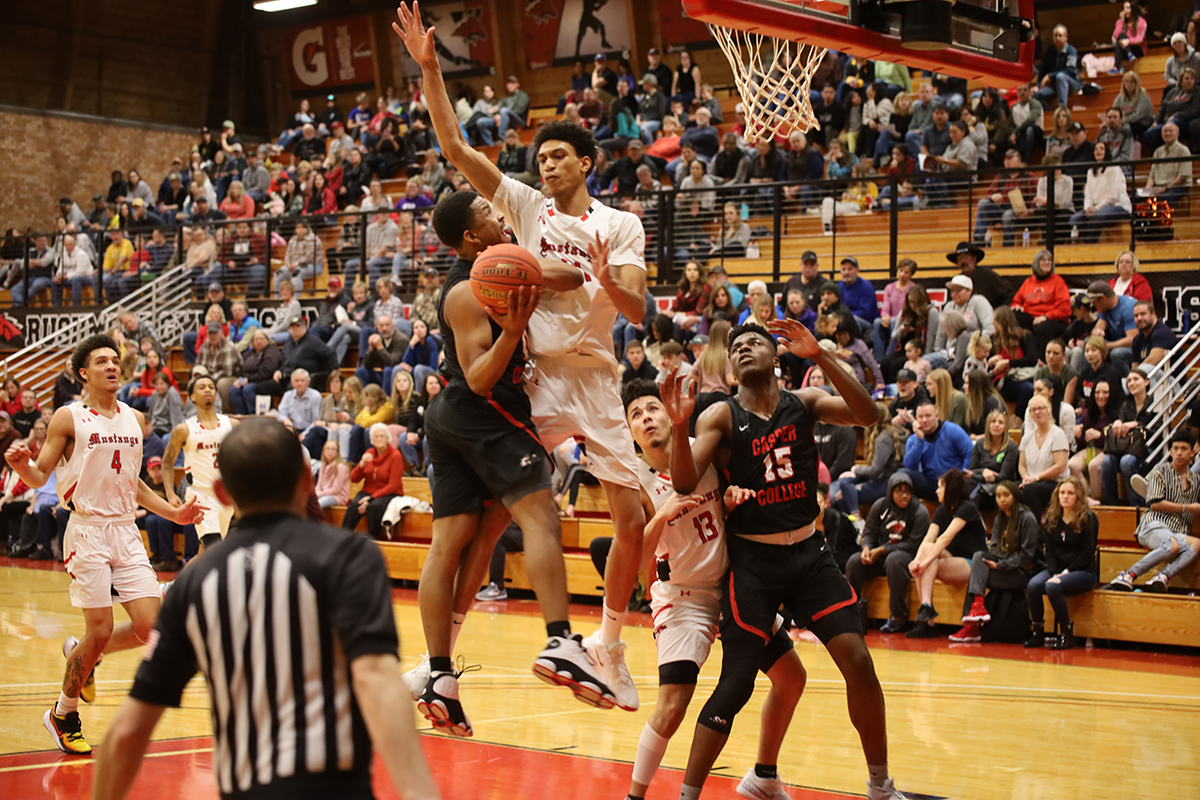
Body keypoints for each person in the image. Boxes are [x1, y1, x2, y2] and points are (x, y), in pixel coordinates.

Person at [395, 4, 648, 711]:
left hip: (596, 378)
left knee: (628, 519)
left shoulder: (620, 225)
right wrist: (429, 69)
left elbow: (637, 312)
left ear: (587, 164)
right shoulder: (523, 208)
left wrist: (601, 278)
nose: (545, 164)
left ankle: (609, 647)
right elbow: (454, 148)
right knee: (497, 518)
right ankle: (438, 654)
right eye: (540, 158)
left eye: (559, 156)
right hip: (532, 383)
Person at [90, 418, 441, 800]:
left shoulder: (195, 580)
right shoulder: (349, 556)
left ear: (222, 493)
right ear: (308, 480)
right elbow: (377, 680)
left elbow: (127, 732)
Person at [398, 189, 617, 732]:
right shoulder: (465, 293)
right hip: (483, 410)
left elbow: (564, 277)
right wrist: (515, 332)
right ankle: (561, 641)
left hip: (454, 417)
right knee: (540, 518)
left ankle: (440, 677)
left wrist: (570, 266)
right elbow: (477, 376)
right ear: (471, 238)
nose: (501, 216)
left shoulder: (503, 263)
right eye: (490, 216)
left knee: (467, 538)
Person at [660, 320, 907, 800]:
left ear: (776, 358)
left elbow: (868, 412)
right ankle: (691, 794)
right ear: (730, 369)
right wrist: (677, 425)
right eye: (736, 347)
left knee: (858, 660)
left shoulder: (805, 403)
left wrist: (820, 356)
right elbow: (684, 484)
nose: (744, 348)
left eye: (755, 342)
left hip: (810, 556)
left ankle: (880, 786)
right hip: (753, 565)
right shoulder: (720, 417)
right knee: (735, 686)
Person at [4, 335, 201, 755]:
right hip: (87, 530)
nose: (112, 366)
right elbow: (41, 477)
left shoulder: (133, 418)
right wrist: (23, 466)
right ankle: (63, 713)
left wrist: (174, 513)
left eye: (115, 360)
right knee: (102, 628)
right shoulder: (68, 417)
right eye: (101, 362)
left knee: (152, 627)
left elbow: (136, 486)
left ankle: (83, 654)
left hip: (125, 531)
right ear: (83, 373)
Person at [620, 379, 806, 800]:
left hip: (733, 586)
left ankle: (763, 775)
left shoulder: (702, 449)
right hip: (684, 598)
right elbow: (635, 561)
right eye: (636, 415)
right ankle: (635, 796)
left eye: (652, 409)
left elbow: (727, 500)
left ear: (669, 413)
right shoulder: (635, 482)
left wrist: (732, 498)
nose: (646, 418)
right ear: (630, 432)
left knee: (792, 678)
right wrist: (664, 513)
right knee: (672, 708)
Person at [1107, 431, 1200, 593]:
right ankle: (1128, 575)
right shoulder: (1160, 471)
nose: (1179, 452)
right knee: (1172, 545)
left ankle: (1163, 576)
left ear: (1193, 453)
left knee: (1197, 544)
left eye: (1184, 449)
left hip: (1177, 531)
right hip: (1153, 525)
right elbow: (1155, 503)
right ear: (1170, 451)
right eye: (1175, 448)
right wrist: (1187, 508)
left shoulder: (1196, 480)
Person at [950, 480, 1042, 642]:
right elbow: (994, 550)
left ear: (1015, 496)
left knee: (977, 575)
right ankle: (976, 609)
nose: (1002, 499)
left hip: (1024, 574)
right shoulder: (1000, 519)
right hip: (1007, 570)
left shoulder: (1027, 518)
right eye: (998, 496)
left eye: (1006, 495)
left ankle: (971, 627)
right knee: (979, 558)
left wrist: (1000, 565)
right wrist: (1002, 561)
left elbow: (1027, 557)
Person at [901, 468, 988, 639]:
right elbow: (928, 538)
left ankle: (927, 620)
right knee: (926, 550)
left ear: (950, 488)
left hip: (974, 564)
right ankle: (926, 608)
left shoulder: (967, 507)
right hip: (954, 559)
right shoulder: (943, 510)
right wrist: (917, 560)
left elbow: (945, 539)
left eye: (940, 487)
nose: (936, 491)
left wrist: (923, 564)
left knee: (927, 562)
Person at [844, 469, 929, 636]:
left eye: (907, 491)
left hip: (908, 557)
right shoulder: (880, 506)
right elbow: (869, 532)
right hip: (881, 556)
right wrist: (867, 548)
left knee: (895, 560)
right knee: (854, 562)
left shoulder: (920, 512)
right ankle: (852, 614)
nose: (904, 495)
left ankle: (898, 617)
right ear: (891, 491)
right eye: (899, 491)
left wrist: (881, 550)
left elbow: (913, 544)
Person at [161, 375, 238, 551]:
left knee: (205, 555)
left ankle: (186, 579)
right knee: (215, 549)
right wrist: (170, 494)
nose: (208, 390)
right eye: (202, 387)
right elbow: (166, 463)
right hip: (201, 496)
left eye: (211, 387)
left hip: (227, 497)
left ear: (216, 395)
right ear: (193, 397)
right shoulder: (184, 430)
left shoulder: (232, 424)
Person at [1026, 476, 1097, 650]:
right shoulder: (1053, 519)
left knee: (1052, 587)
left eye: (1070, 493)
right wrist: (1053, 571)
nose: (1065, 496)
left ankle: (1066, 634)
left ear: (1078, 496)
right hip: (1057, 570)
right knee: (1033, 585)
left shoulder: (1088, 519)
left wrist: (1065, 572)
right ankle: (1038, 632)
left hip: (1083, 571)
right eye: (1062, 493)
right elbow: (1048, 551)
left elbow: (1088, 553)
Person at [830, 401, 904, 515]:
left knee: (842, 495)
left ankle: (857, 521)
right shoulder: (894, 431)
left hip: (887, 482)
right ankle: (855, 518)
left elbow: (875, 470)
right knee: (844, 482)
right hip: (883, 478)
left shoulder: (883, 438)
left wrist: (855, 470)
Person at [899, 401, 973, 500]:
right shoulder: (914, 440)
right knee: (902, 474)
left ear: (937, 416)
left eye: (928, 416)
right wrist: (920, 440)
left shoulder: (953, 430)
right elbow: (910, 466)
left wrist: (964, 475)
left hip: (955, 483)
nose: (924, 420)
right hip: (932, 483)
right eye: (920, 417)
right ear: (916, 419)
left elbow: (970, 452)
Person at [1102, 367, 1153, 506]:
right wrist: (1118, 422)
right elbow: (1121, 421)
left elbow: (1159, 429)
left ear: (1147, 382)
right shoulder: (1126, 404)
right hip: (1128, 447)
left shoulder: (1155, 402)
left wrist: (1137, 424)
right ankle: (1111, 506)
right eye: (1129, 380)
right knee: (1106, 462)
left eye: (1136, 379)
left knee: (1127, 462)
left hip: (1150, 448)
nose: (1131, 383)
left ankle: (1137, 507)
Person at [1018, 394, 1071, 518]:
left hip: (1055, 484)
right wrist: (1026, 478)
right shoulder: (1027, 437)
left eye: (1040, 408)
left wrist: (1036, 478)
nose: (1037, 412)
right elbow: (1021, 465)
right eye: (1033, 410)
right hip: (1031, 482)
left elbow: (1060, 466)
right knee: (1008, 489)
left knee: (1030, 490)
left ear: (1049, 410)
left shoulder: (1058, 435)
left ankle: (1035, 528)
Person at [1069, 142, 1131, 244]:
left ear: (1106, 152)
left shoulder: (1114, 168)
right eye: (1096, 149)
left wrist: (1096, 208)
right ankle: (1091, 243)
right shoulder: (1090, 171)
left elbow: (1114, 196)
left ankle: (1091, 245)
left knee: (1096, 216)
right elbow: (1088, 194)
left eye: (1101, 148)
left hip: (1118, 206)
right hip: (1096, 208)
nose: (1098, 151)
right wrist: (1088, 208)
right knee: (1074, 219)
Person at [1011, 250, 1070, 352]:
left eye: (1049, 260)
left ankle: (1039, 360)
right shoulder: (1029, 282)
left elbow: (1064, 309)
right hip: (1031, 317)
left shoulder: (1058, 281)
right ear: (1036, 263)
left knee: (1042, 328)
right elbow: (1016, 300)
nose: (1047, 263)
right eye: (1043, 260)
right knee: (1014, 318)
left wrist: (1046, 317)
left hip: (1053, 320)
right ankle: (1017, 355)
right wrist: (1016, 305)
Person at [1070, 378, 1115, 501]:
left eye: (1105, 392)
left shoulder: (1116, 412)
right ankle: (1085, 500)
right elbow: (1081, 443)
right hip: (1090, 449)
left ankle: (1097, 499)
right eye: (1097, 392)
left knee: (1094, 466)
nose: (1101, 396)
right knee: (1072, 464)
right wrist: (1077, 436)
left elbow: (1118, 440)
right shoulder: (1087, 413)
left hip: (1109, 449)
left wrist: (1100, 435)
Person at [1085, 280, 1137, 375]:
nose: (1093, 305)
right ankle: (1087, 378)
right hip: (1115, 342)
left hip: (1136, 347)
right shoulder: (1105, 308)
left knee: (1116, 353)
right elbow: (1098, 328)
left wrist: (1108, 346)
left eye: (1094, 302)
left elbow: (1132, 340)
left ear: (1102, 298)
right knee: (1089, 343)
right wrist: (1096, 333)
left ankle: (1126, 383)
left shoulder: (1128, 308)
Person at [1036, 25, 1081, 109]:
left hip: (1073, 83)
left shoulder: (1071, 51)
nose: (1057, 38)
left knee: (1061, 77)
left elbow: (1070, 70)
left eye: (1060, 35)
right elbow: (1042, 69)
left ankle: (1062, 108)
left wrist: (1051, 75)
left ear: (1066, 37)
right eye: (1055, 35)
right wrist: (1037, 85)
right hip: (1055, 86)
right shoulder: (1050, 51)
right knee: (1037, 95)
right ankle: (1052, 114)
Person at [1130, 300, 1176, 372]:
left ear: (1153, 314)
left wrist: (1133, 376)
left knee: (1147, 369)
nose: (1139, 318)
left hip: (1170, 379)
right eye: (1136, 316)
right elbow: (1134, 366)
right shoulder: (1137, 339)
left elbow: (1153, 361)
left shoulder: (1162, 333)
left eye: (1143, 314)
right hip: (1149, 378)